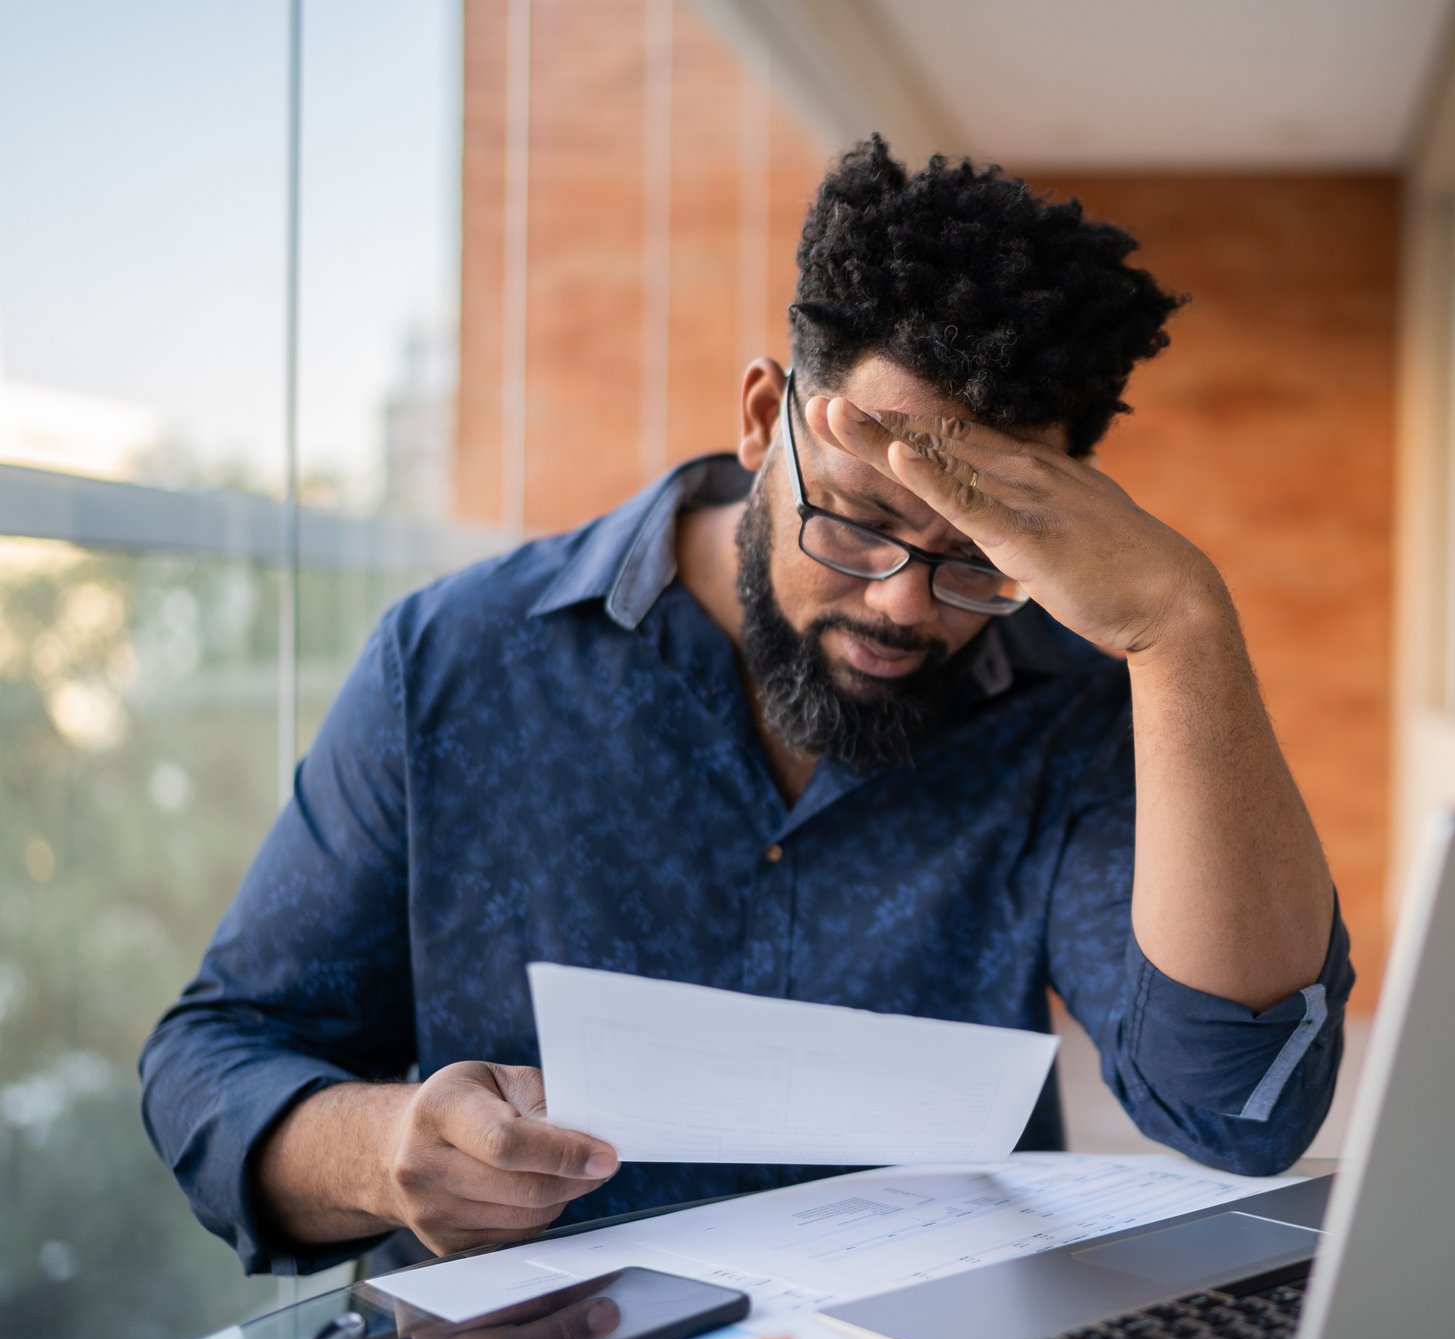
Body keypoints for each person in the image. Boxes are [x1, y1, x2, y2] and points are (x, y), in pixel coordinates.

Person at [140, 138, 1355, 1276]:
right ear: (766, 417)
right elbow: (211, 1061)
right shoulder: (454, 659)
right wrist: (384, 1147)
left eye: (975, 559)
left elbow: (1239, 1105)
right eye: (861, 519)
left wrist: (1185, 629)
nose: (903, 605)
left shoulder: (1071, 705)